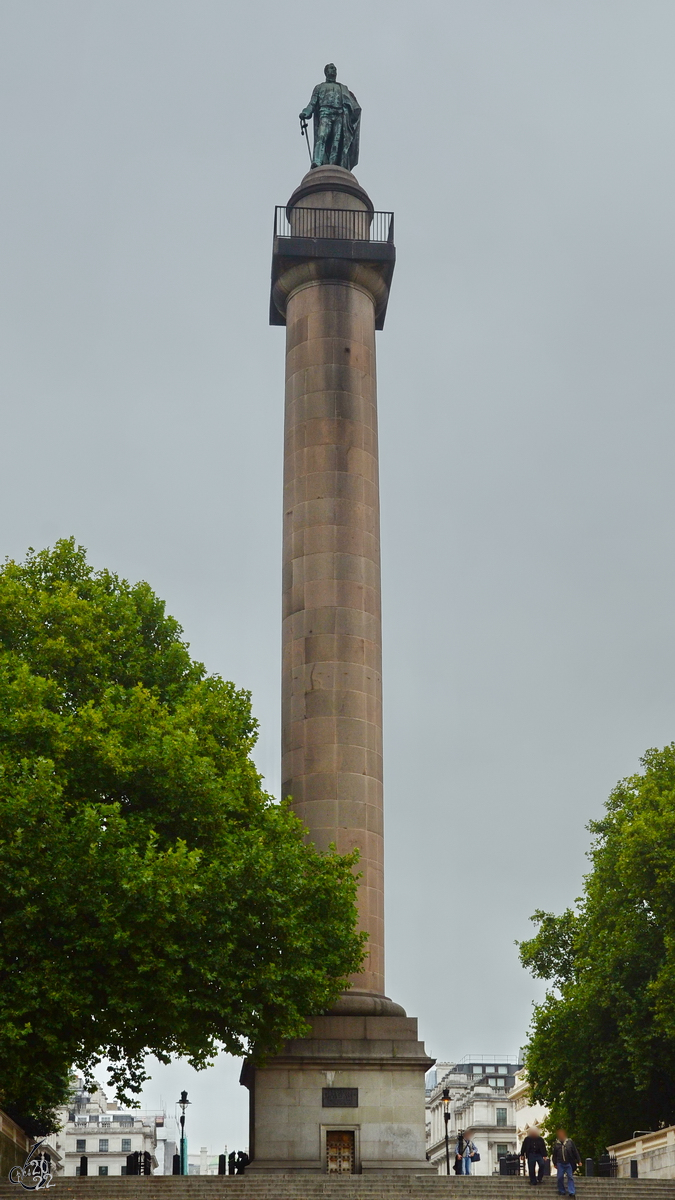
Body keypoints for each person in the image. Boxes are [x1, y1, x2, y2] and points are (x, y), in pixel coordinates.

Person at [299, 63, 361, 170]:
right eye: (331, 68)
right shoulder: (319, 87)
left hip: (340, 115)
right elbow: (312, 104)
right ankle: (317, 162)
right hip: (325, 113)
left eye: (335, 69)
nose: (334, 70)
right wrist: (306, 112)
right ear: (326, 72)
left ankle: (334, 165)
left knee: (336, 142)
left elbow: (353, 106)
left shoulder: (343, 88)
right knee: (322, 136)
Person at [552, 1128, 581, 1196]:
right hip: (560, 1163)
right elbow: (554, 1154)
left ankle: (571, 1191)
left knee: (570, 1176)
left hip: (568, 1162)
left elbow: (575, 1151)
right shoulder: (556, 1144)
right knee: (560, 1177)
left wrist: (579, 1160)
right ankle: (561, 1190)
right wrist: (554, 1163)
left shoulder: (569, 1142)